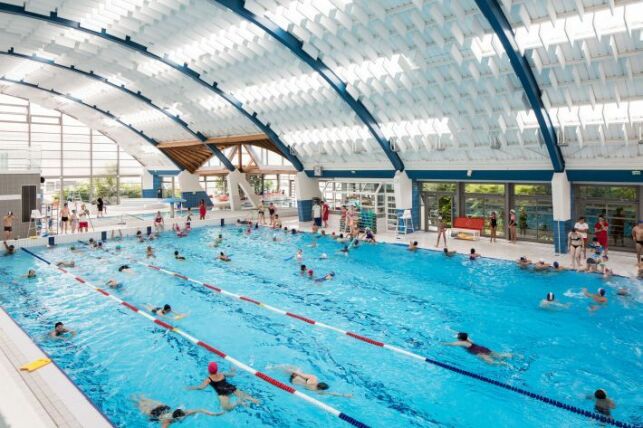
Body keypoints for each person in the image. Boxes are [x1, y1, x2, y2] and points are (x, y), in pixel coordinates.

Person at [187, 362, 259, 411]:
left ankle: (238, 402)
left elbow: (201, 387)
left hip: (222, 393)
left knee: (227, 408)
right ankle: (256, 400)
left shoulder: (208, 379)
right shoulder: (222, 374)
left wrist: (192, 387)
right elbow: (232, 374)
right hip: (230, 387)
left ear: (208, 371)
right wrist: (233, 370)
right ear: (217, 369)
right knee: (245, 396)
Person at [135, 395, 220, 426]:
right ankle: (135, 399)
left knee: (141, 399)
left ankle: (137, 397)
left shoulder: (184, 413)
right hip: (156, 413)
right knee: (138, 404)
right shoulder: (167, 421)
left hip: (162, 407)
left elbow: (200, 410)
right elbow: (200, 410)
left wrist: (214, 414)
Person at [271, 365, 351, 397]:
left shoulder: (314, 378)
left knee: (297, 368)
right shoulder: (317, 391)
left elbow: (298, 373)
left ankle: (274, 367)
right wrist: (344, 395)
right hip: (292, 382)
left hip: (295, 376)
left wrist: (292, 370)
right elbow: (331, 393)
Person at [443, 332, 511, 365]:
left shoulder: (461, 343)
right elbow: (463, 334)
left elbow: (451, 344)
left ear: (460, 338)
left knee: (491, 363)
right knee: (500, 356)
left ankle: (503, 364)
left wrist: (441, 343)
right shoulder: (468, 339)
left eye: (457, 336)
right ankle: (511, 355)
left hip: (479, 353)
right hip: (483, 349)